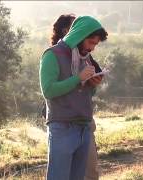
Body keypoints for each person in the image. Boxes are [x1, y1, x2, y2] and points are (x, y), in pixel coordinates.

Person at [39, 16, 108, 180]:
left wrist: (92, 85)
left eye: (95, 44)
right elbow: (48, 91)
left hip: (84, 128)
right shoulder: (51, 55)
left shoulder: (85, 58)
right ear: (79, 35)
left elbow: (82, 94)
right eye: (91, 43)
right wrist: (78, 78)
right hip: (62, 128)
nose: (92, 49)